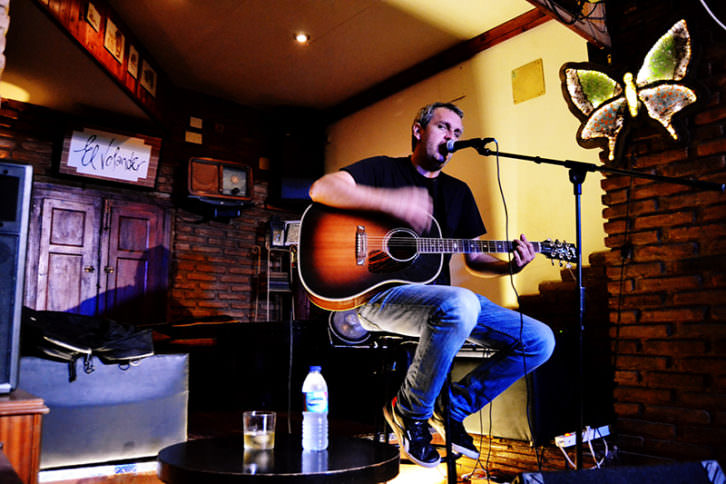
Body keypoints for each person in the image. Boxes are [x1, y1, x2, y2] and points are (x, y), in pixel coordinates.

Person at [308, 102, 555, 467]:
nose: (451, 138)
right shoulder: (383, 170)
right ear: (418, 130)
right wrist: (390, 200)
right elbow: (321, 188)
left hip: (444, 304)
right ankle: (411, 413)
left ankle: (451, 407)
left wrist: (509, 268)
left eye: (456, 133)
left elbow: (474, 258)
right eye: (443, 128)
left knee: (539, 340)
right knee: (461, 303)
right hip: (378, 298)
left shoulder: (458, 193)